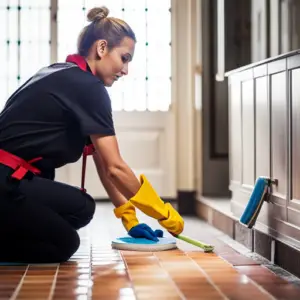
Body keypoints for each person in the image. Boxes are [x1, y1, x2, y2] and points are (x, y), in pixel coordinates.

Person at [0, 6, 184, 264]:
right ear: (101, 48)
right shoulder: (89, 88)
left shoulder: (65, 74)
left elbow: (102, 161)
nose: (126, 70)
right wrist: (162, 211)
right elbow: (116, 168)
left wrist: (129, 218)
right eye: (125, 58)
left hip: (11, 180)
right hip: (6, 182)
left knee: (80, 210)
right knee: (65, 239)